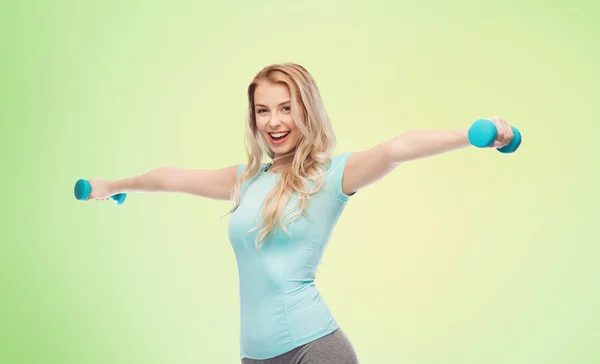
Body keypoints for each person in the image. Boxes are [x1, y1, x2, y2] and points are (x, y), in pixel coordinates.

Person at [85, 63, 515, 363]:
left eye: (286, 107)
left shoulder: (330, 176)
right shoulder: (246, 179)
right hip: (253, 355)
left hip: (315, 351)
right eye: (263, 110)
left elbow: (398, 147)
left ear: (306, 109)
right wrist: (114, 187)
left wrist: (473, 135)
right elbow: (171, 178)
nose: (274, 121)